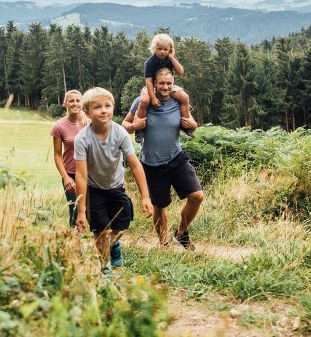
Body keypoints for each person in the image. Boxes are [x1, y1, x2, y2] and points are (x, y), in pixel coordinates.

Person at [122, 68, 204, 250]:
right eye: (161, 83)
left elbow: (191, 123)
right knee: (159, 206)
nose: (165, 87)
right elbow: (125, 125)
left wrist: (193, 124)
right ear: (155, 84)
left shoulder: (178, 100)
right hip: (151, 164)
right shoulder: (141, 102)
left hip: (176, 158)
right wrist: (134, 125)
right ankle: (164, 244)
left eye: (169, 83)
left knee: (197, 196)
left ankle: (181, 233)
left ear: (173, 83)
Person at [74, 87, 154, 273]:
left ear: (113, 108)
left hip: (117, 188)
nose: (104, 110)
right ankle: (105, 268)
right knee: (101, 232)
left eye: (107, 106)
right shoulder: (82, 139)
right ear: (87, 112)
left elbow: (135, 165)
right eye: (97, 107)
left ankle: (114, 245)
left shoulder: (120, 133)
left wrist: (145, 197)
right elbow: (81, 175)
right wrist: (80, 211)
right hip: (94, 190)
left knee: (119, 226)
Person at [134, 33, 193, 142]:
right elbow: (148, 81)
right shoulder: (149, 63)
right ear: (154, 48)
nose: (162, 52)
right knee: (144, 100)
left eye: (165, 49)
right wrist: (153, 97)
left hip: (169, 85)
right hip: (152, 85)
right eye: (159, 48)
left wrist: (172, 58)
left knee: (184, 97)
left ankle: (185, 124)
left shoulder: (171, 58)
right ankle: (140, 129)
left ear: (170, 49)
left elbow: (180, 72)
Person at [49, 89, 88, 228]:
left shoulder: (89, 121)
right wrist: (65, 177)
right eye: (71, 101)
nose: (75, 103)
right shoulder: (59, 126)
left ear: (82, 103)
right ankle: (74, 244)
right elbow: (57, 155)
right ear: (65, 104)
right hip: (71, 174)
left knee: (93, 209)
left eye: (78, 100)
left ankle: (100, 243)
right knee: (75, 210)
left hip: (90, 173)